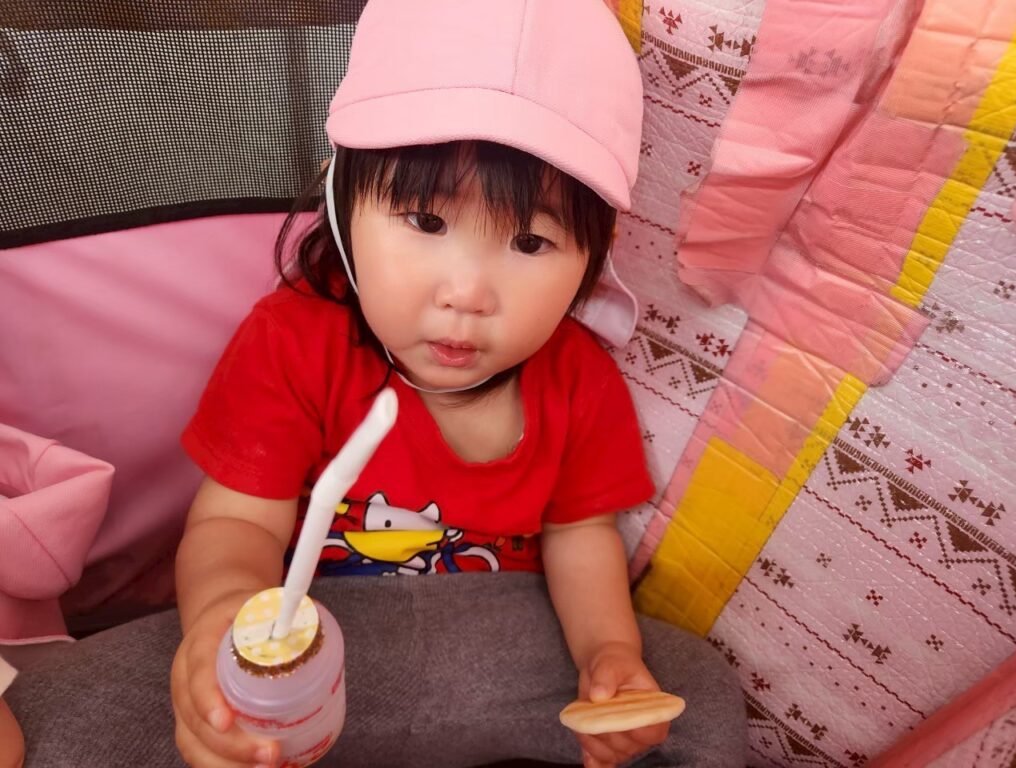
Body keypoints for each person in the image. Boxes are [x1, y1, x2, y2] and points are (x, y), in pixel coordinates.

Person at [7, 1, 746, 766]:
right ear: (342, 203)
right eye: (426, 222)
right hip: (308, 647)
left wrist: (608, 657)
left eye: (530, 241)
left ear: (594, 256)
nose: (467, 294)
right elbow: (238, 523)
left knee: (696, 692)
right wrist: (223, 623)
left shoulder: (581, 378)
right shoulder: (294, 339)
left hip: (500, 652)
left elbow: (580, 536)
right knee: (56, 713)